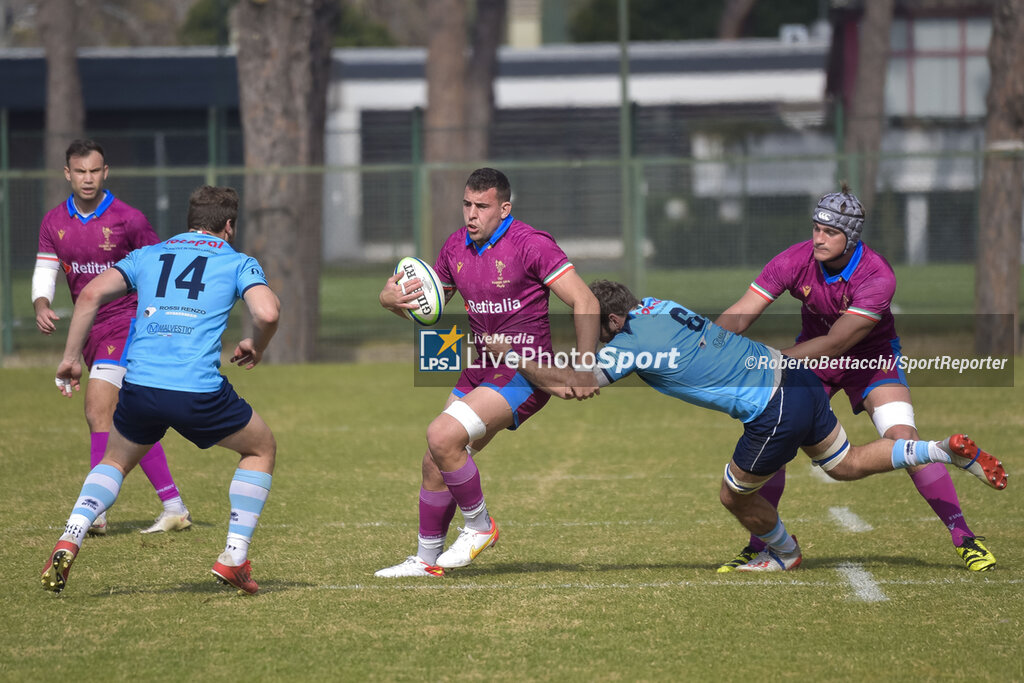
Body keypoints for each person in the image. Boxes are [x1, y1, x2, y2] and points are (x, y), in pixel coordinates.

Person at [487, 280, 1006, 571]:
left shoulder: (627, 343)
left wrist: (513, 353)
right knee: (844, 465)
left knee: (733, 495)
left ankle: (784, 554)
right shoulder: (659, 305)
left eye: (594, 329)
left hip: (772, 407)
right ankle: (939, 450)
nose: (594, 338)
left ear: (615, 323)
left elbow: (575, 386)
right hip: (796, 376)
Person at [713, 185, 997, 572]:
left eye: (830, 232)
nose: (818, 238)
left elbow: (837, 341)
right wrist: (708, 342)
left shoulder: (877, 275)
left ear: (852, 237)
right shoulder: (795, 259)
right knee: (774, 437)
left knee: (904, 440)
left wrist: (773, 362)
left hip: (871, 359)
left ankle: (964, 537)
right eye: (816, 228)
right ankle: (759, 543)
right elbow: (743, 313)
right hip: (813, 358)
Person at [41, 185, 280, 595]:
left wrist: (70, 358)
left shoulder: (148, 255)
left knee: (114, 461)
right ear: (228, 226)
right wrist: (257, 345)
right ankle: (234, 558)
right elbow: (267, 311)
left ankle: (71, 536)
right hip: (196, 391)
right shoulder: (237, 261)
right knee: (261, 449)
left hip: (140, 386)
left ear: (189, 221)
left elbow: (92, 294)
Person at [374, 167, 601, 577]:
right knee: (435, 460)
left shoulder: (531, 245)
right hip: (481, 365)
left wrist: (585, 366)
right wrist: (391, 300)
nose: (471, 215)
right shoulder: (454, 247)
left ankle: (480, 526)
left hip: (524, 370)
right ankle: (426, 561)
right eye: (467, 205)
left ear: (504, 208)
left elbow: (585, 301)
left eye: (482, 206)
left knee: (442, 435)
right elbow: (429, 310)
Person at [33, 139, 191, 535]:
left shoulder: (128, 219)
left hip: (129, 323)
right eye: (80, 171)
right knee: (124, 420)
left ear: (106, 172)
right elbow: (46, 269)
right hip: (91, 329)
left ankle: (95, 512)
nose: (88, 178)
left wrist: (162, 318)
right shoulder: (54, 221)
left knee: (97, 409)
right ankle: (173, 506)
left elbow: (160, 267)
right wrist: (41, 303)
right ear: (67, 174)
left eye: (95, 170)